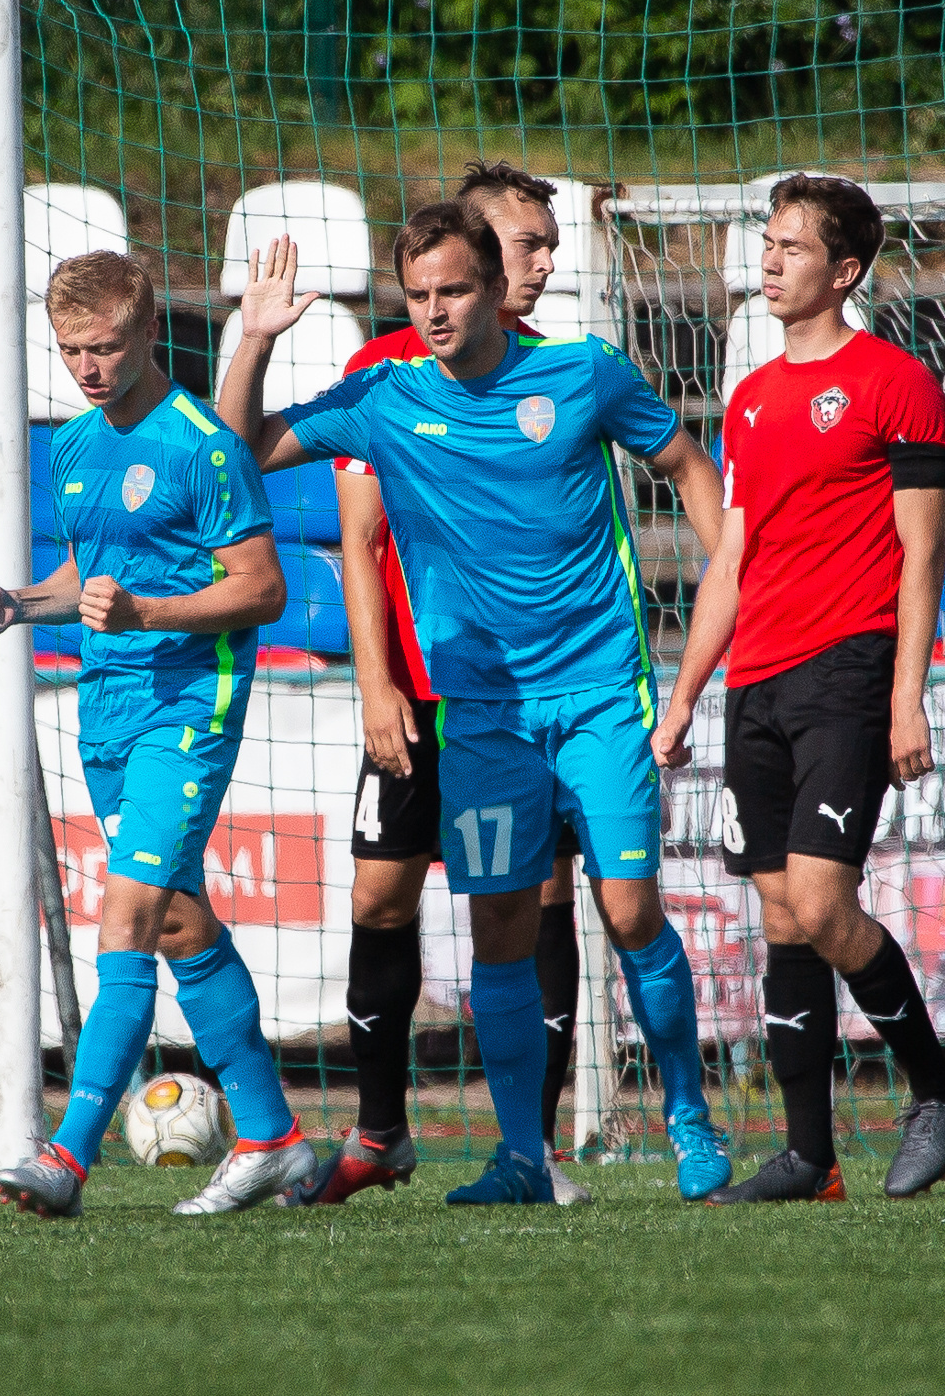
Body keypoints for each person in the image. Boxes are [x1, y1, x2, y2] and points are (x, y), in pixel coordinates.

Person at [220, 203, 732, 1207]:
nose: (436, 311)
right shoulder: (384, 396)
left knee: (628, 909)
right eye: (417, 295)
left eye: (453, 289)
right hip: (481, 713)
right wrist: (253, 338)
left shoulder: (581, 371)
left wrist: (728, 565)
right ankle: (521, 1157)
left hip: (594, 696)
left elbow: (680, 461)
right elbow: (238, 448)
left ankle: (688, 1114)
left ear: (496, 287)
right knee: (498, 923)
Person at [0, 249, 313, 1218]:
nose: (89, 366)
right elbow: (90, 580)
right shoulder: (73, 445)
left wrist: (149, 612)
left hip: (188, 705)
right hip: (105, 707)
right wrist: (17, 602)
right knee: (176, 918)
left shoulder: (202, 445)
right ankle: (274, 1135)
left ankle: (66, 1158)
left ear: (147, 332)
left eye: (106, 347)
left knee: (122, 918)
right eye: (73, 349)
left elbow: (262, 587)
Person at [651, 173, 945, 1203]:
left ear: (844, 270)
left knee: (823, 899)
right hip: (755, 681)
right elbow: (733, 561)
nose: (770, 258)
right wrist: (685, 690)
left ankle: (937, 1089)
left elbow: (920, 555)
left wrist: (906, 695)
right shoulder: (746, 399)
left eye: (793, 245)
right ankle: (808, 1155)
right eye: (768, 240)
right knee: (781, 919)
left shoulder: (895, 384)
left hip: (848, 668)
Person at [280, 162, 600, 1208]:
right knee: (381, 894)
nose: (539, 264)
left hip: (521, 697)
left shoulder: (562, 375)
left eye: (547, 247)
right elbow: (359, 537)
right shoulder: (390, 369)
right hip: (416, 691)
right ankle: (381, 1131)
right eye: (522, 244)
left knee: (534, 902)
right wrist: (376, 686)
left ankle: (531, 1147)